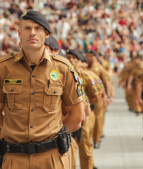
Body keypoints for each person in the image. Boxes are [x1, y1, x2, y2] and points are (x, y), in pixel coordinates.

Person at [0, 10, 84, 169]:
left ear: (46, 34)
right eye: (27, 28)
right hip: (14, 158)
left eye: (38, 29)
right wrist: (9, 131)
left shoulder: (63, 68)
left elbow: (77, 114)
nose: (32, 33)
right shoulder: (4, 68)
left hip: (51, 158)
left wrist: (56, 134)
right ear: (19, 33)